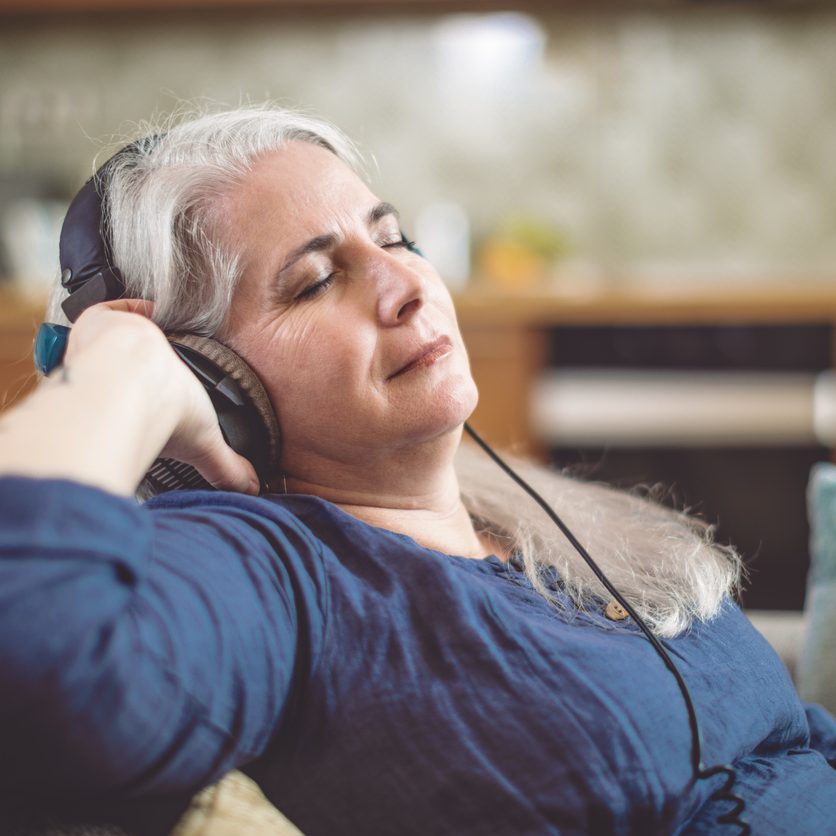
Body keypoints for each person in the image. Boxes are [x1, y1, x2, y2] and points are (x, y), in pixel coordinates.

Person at [0, 105, 833, 836]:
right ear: (213, 383)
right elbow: (31, 649)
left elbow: (794, 738)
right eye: (317, 280)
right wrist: (121, 377)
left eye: (394, 238)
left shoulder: (525, 505)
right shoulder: (275, 571)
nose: (406, 284)